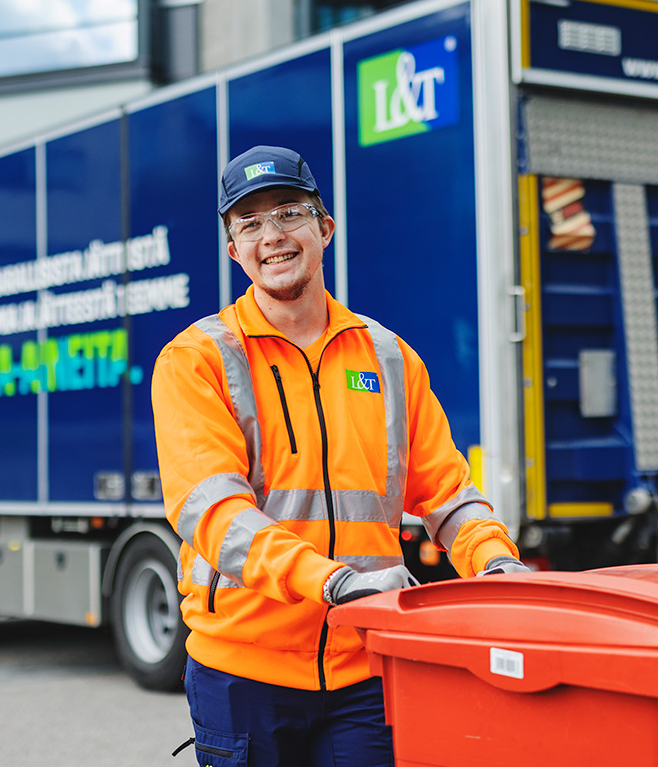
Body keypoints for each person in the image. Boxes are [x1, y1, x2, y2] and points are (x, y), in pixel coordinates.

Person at [153, 144, 529, 766]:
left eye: (289, 214)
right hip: (244, 674)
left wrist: (495, 562)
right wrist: (333, 582)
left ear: (324, 229)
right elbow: (215, 516)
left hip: (365, 670)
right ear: (232, 250)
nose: (271, 236)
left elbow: (446, 491)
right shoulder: (197, 361)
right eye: (248, 224)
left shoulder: (387, 358)